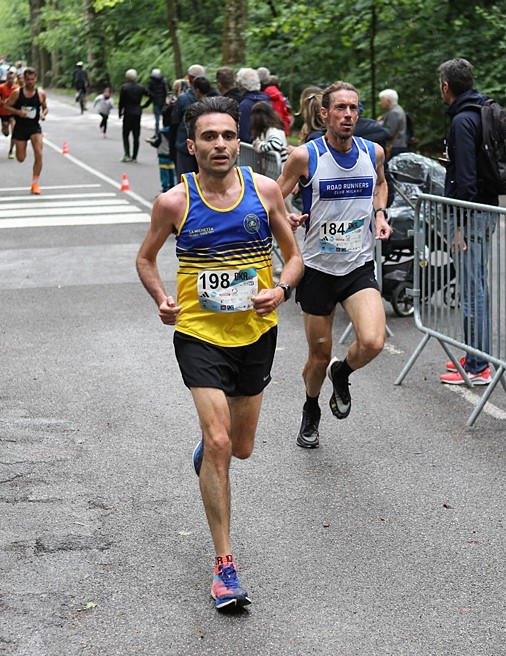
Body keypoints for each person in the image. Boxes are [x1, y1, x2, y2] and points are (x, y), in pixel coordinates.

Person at [135, 96, 303, 610]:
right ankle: (225, 567)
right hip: (200, 335)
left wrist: (280, 290)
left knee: (241, 446)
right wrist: (163, 298)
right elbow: (145, 259)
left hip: (256, 332)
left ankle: (211, 456)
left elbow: (292, 258)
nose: (221, 145)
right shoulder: (174, 202)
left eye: (229, 136)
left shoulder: (266, 190)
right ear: (192, 146)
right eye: (209, 137)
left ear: (240, 142)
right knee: (220, 440)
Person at [277, 81, 392, 449]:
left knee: (373, 341)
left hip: (357, 266)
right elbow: (273, 198)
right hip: (317, 269)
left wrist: (379, 214)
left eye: (354, 108)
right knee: (318, 356)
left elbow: (381, 184)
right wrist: (288, 219)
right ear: (324, 113)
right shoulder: (305, 157)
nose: (347, 115)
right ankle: (311, 407)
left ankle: (342, 373)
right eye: (340, 108)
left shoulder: (372, 152)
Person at [438, 57, 496, 386]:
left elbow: (466, 180)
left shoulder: (463, 120)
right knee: (478, 287)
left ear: (446, 87)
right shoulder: (483, 110)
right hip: (488, 210)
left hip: (471, 217)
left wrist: (458, 224)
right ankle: (476, 354)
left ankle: (477, 365)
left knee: (472, 290)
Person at [4, 67, 47, 195]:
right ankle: (21, 147)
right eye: (27, 79)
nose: (30, 82)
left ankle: (35, 183)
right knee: (21, 158)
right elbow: (6, 106)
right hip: (21, 127)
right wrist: (18, 112)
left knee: (39, 153)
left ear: (36, 79)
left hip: (34, 127)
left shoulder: (41, 94)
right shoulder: (17, 93)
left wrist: (43, 114)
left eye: (32, 79)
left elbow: (45, 108)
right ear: (24, 79)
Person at [171, 64, 205, 176]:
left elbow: (174, 121)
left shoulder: (183, 98)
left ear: (190, 79)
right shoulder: (213, 96)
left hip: (184, 144)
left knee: (185, 179)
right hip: (204, 143)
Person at [118, 68, 152, 163]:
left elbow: (121, 102)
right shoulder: (140, 87)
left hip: (128, 112)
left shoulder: (125, 88)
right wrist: (144, 105)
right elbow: (151, 95)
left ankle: (127, 154)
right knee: (136, 135)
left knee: (126, 134)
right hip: (137, 112)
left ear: (127, 77)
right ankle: (135, 156)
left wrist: (120, 112)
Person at [251, 101, 289, 169]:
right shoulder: (269, 129)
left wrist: (260, 146)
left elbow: (276, 144)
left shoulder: (272, 130)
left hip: (279, 170)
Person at [236, 68, 270, 143]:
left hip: (250, 151)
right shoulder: (268, 101)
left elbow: (243, 134)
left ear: (241, 86)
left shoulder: (244, 106)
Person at [378, 88, 407, 159]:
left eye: (382, 100)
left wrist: (377, 126)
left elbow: (389, 133)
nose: (380, 103)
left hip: (395, 147)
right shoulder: (397, 110)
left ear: (388, 101)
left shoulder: (394, 113)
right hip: (398, 146)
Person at [0, 67, 20, 158]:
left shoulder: (17, 88)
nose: (11, 80)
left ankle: (11, 151)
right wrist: (4, 102)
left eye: (12, 78)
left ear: (15, 79)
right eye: (9, 78)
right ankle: (4, 128)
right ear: (6, 78)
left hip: (13, 112)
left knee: (15, 130)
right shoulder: (1, 87)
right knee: (6, 133)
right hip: (3, 112)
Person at [147, 68, 169, 136]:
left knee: (157, 119)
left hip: (156, 102)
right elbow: (168, 90)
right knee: (165, 118)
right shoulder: (164, 81)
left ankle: (156, 133)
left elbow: (148, 91)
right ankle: (164, 132)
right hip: (164, 102)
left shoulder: (151, 82)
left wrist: (152, 96)